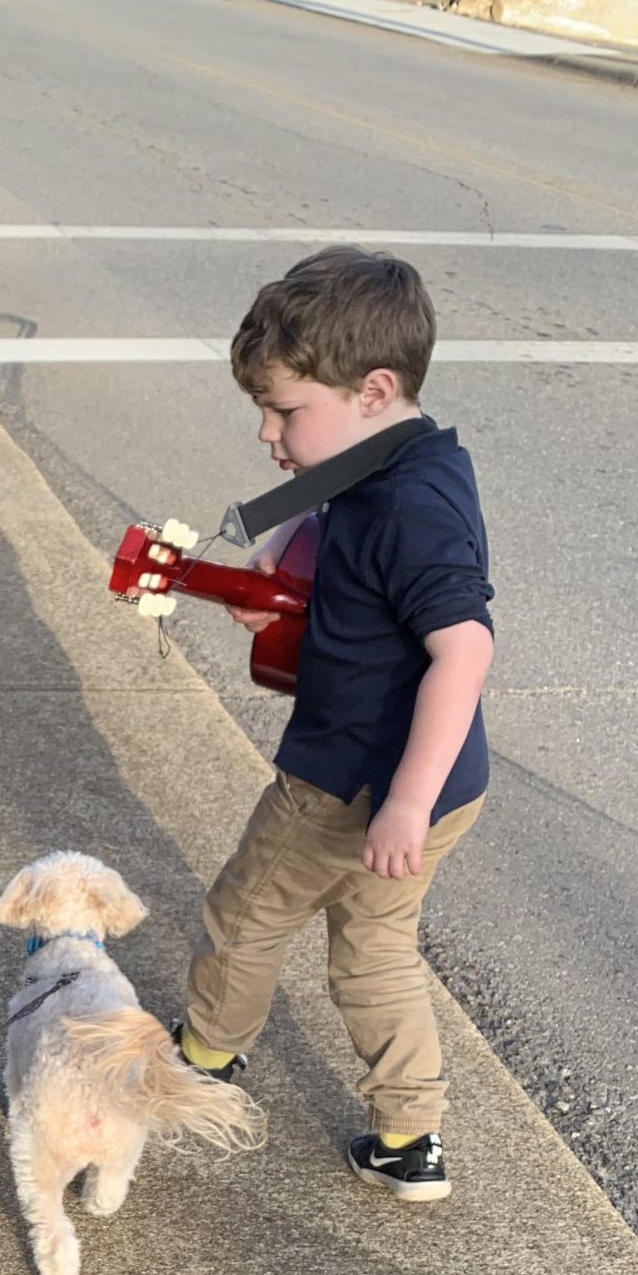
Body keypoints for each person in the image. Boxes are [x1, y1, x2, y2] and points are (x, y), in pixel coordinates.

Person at [176, 246, 494, 1202]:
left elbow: (464, 650)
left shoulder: (410, 506)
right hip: (440, 785)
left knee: (245, 914)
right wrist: (276, 596)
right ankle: (408, 1135)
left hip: (353, 783)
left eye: (285, 410)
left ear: (374, 388)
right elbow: (330, 554)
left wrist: (400, 801)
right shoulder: (402, 455)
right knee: (375, 945)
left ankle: (201, 1062)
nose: (268, 434)